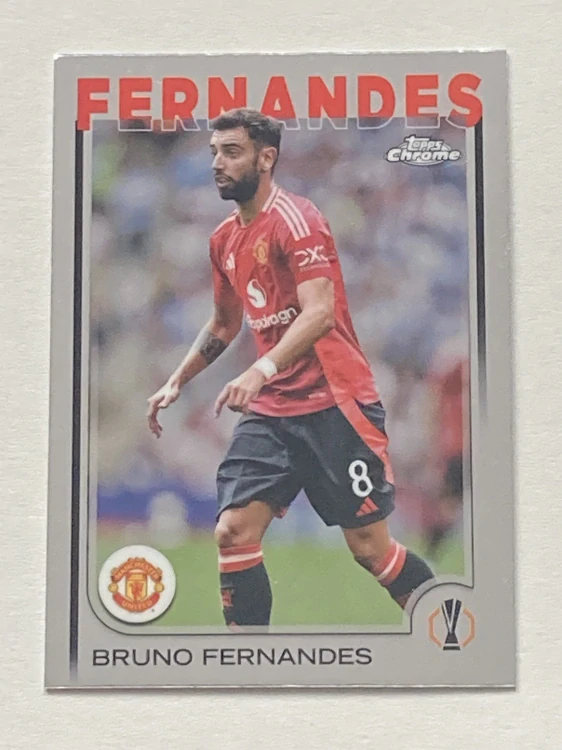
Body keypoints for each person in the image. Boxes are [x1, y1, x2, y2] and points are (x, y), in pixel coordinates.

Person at [146, 108, 435, 629]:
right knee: (233, 531)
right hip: (273, 410)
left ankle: (451, 629)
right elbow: (224, 323)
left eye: (232, 152)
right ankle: (248, 663)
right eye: (214, 152)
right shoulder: (223, 240)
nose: (217, 163)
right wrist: (177, 379)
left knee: (370, 549)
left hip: (336, 404)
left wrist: (260, 368)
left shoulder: (298, 220)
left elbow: (320, 313)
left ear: (266, 158)